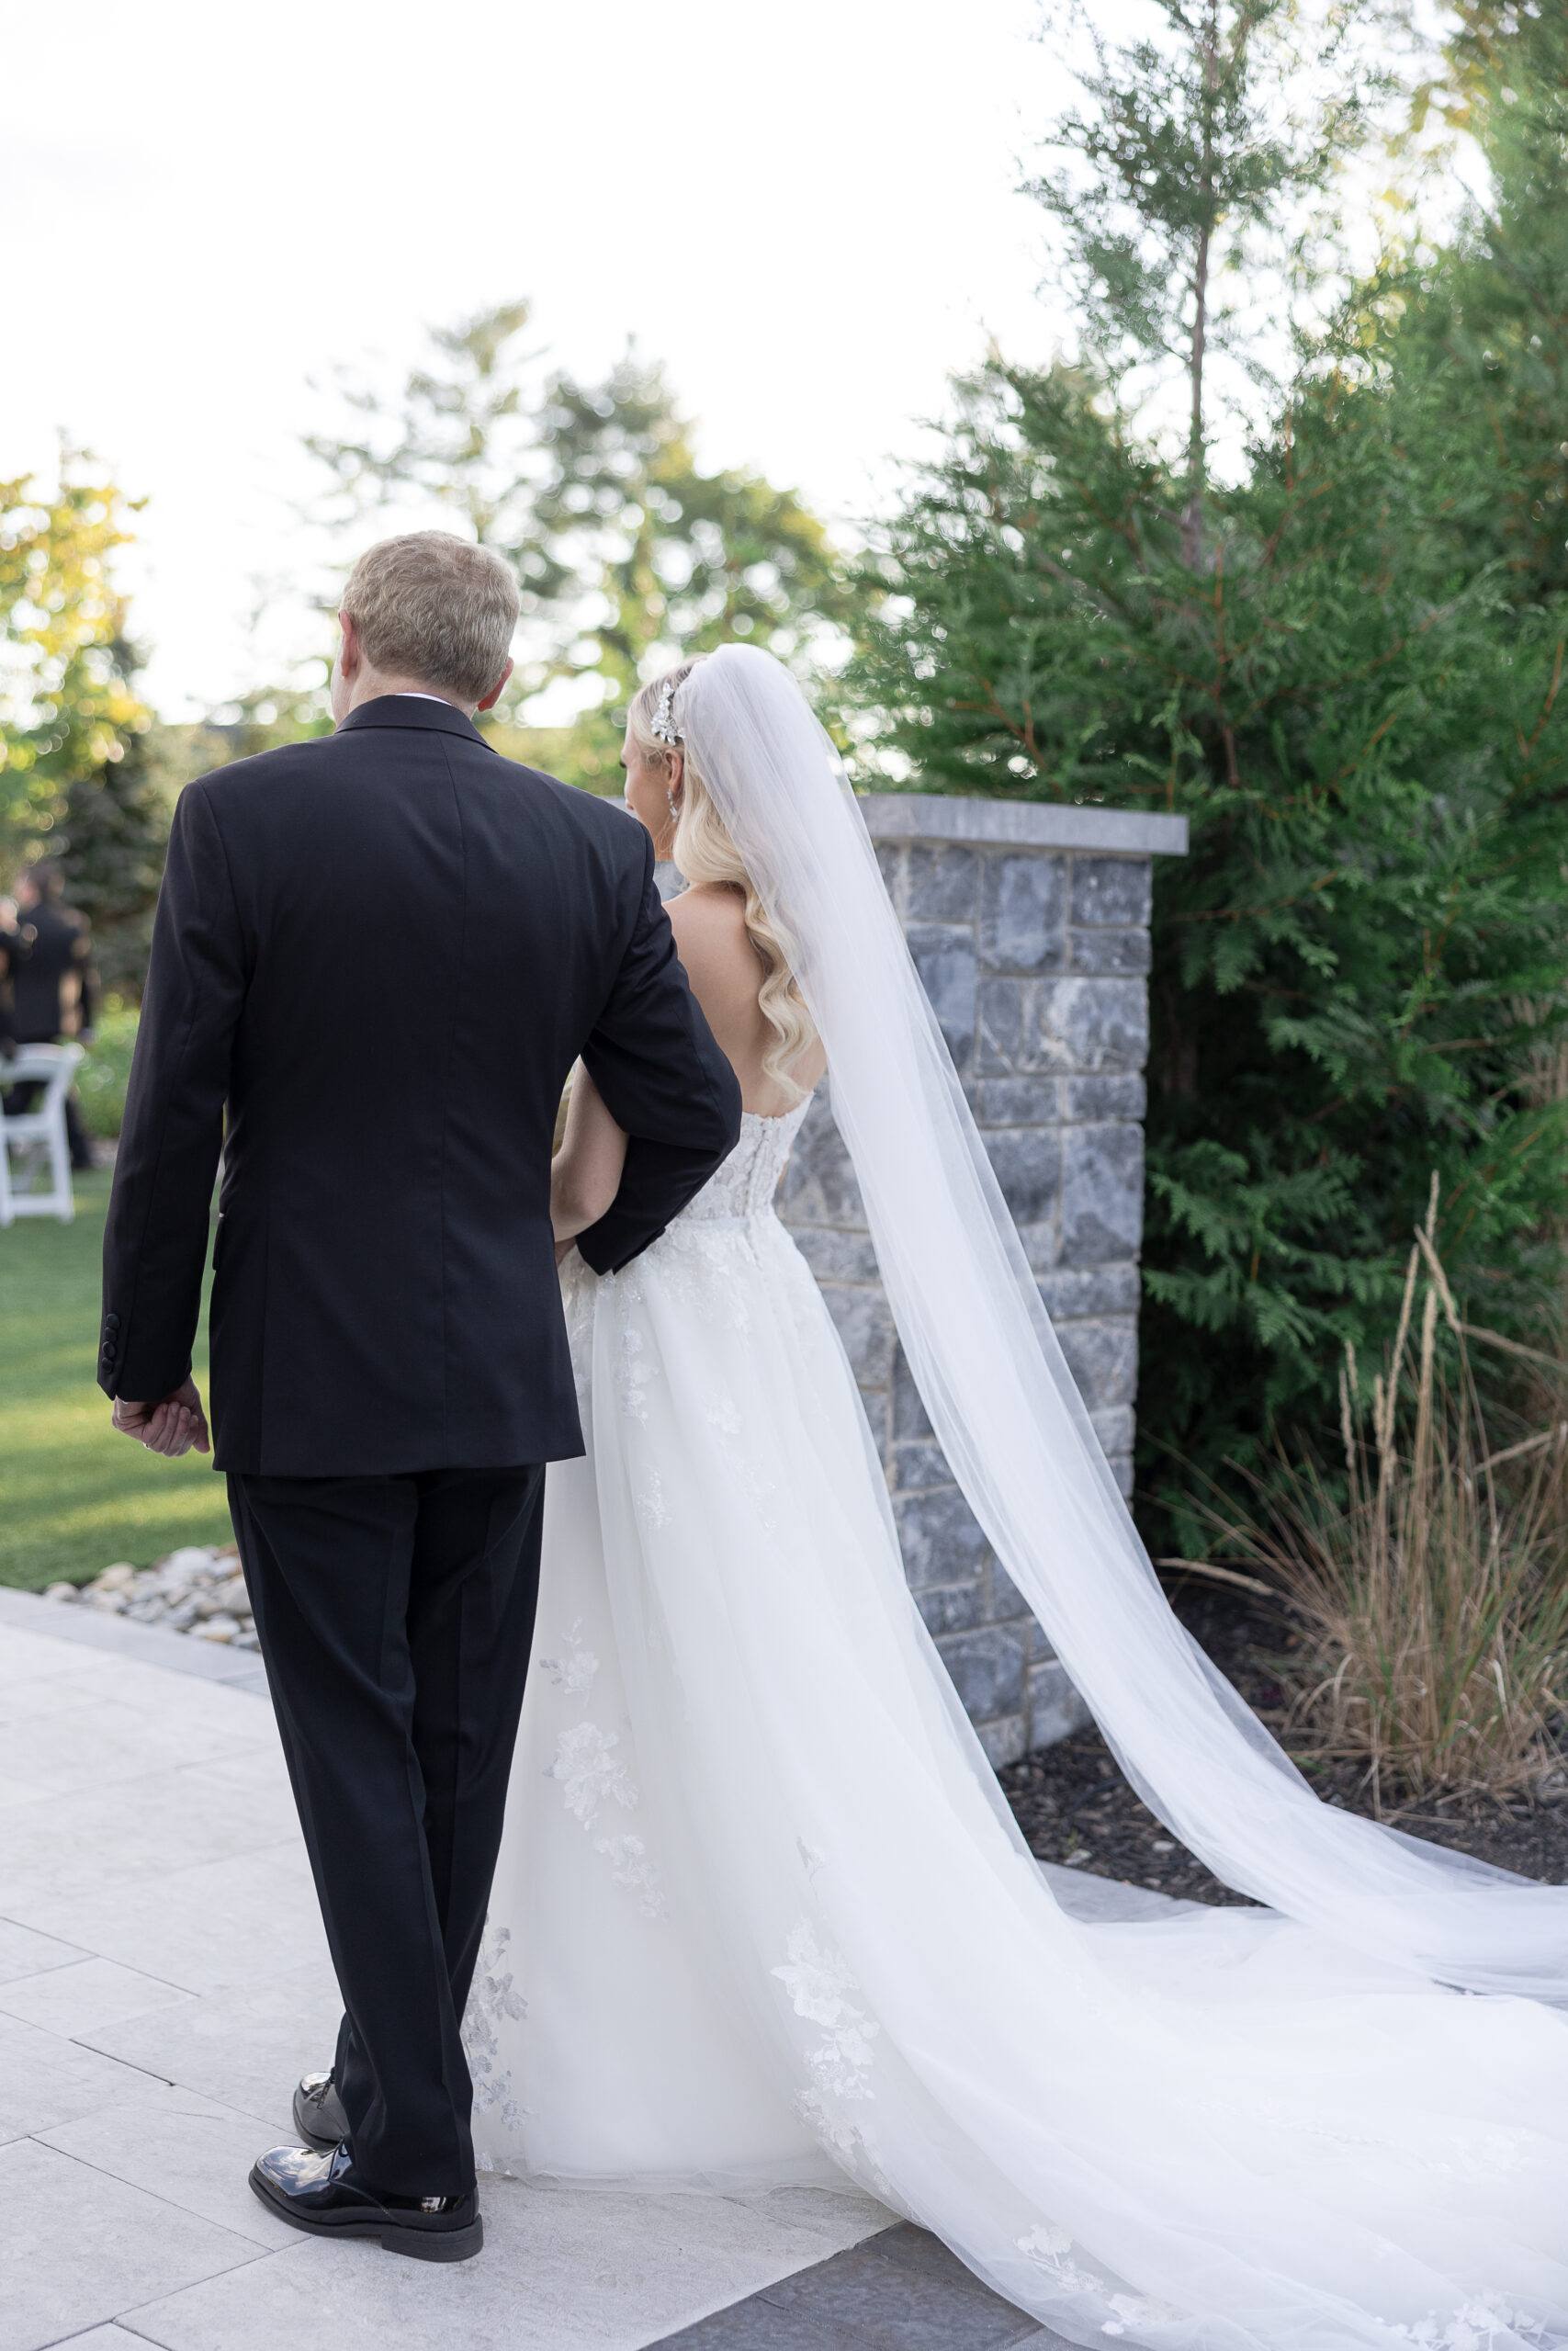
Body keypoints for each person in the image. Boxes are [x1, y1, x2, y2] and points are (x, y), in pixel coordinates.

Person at [446, 648, 1563, 2347]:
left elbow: (594, 1192)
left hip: (656, 1332)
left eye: (636, 759)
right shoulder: (794, 943)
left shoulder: (671, 933)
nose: (628, 783)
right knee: (761, 1683)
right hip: (753, 1331)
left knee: (644, 1658)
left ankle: (645, 2033)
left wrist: (456, 1194)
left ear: (679, 771)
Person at [97, 531, 740, 2263]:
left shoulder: (240, 819)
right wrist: (582, 1252)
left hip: (312, 1358)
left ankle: (410, 2161)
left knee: (352, 1749)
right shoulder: (592, 844)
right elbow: (689, 1112)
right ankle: (391, 2089)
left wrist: (144, 1363)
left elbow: (168, 1120)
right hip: (496, 1367)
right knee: (452, 1753)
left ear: (346, 641)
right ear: (500, 680)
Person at [0, 864, 98, 1167]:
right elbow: (87, 976)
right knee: (49, 1089)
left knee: (30, 1091)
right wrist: (87, 1023)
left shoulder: (20, 926)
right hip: (60, 1020)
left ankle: (80, 1153)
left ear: (31, 886)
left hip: (23, 1024)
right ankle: (80, 1153)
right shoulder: (71, 923)